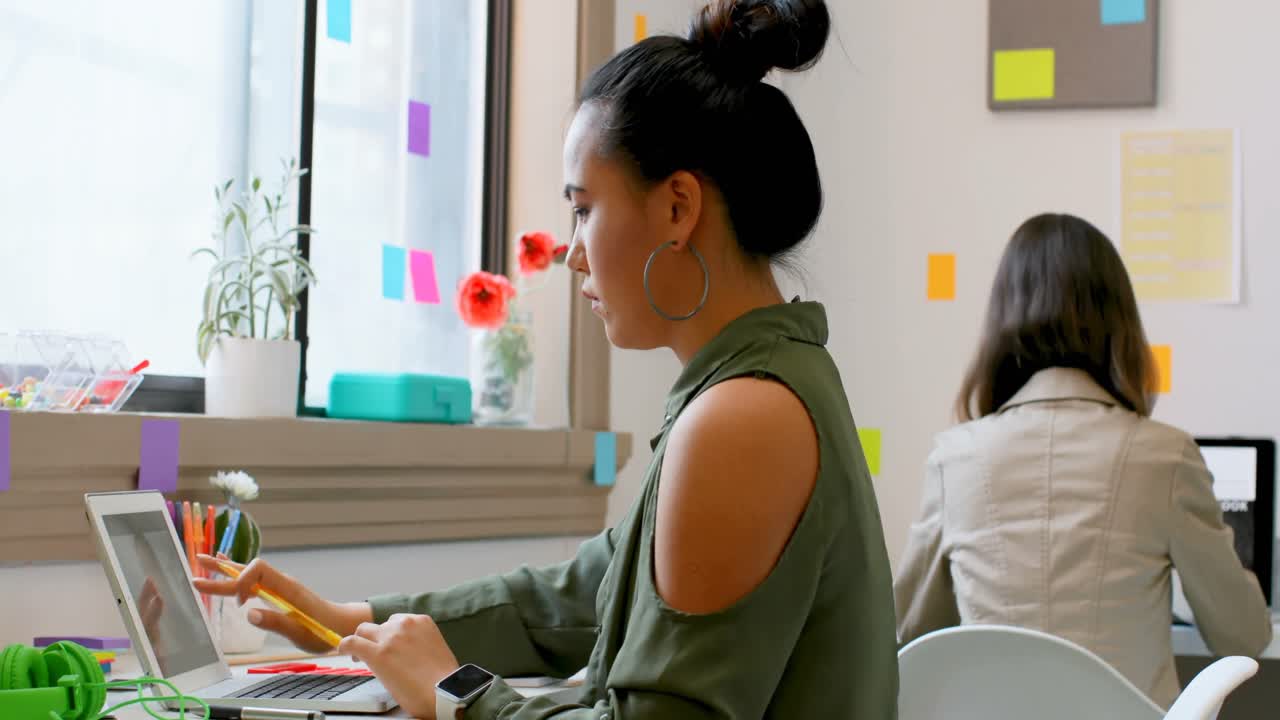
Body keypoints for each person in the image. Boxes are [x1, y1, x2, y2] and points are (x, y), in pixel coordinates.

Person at [195, 0, 899, 717]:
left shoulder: (741, 417)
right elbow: (573, 596)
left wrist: (453, 692)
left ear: (679, 209)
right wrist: (355, 619)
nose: (570, 250)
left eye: (585, 207)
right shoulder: (769, 381)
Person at [893, 212, 1272, 708]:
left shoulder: (955, 460)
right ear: (1121, 322)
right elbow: (1243, 635)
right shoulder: (1166, 456)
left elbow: (908, 631)